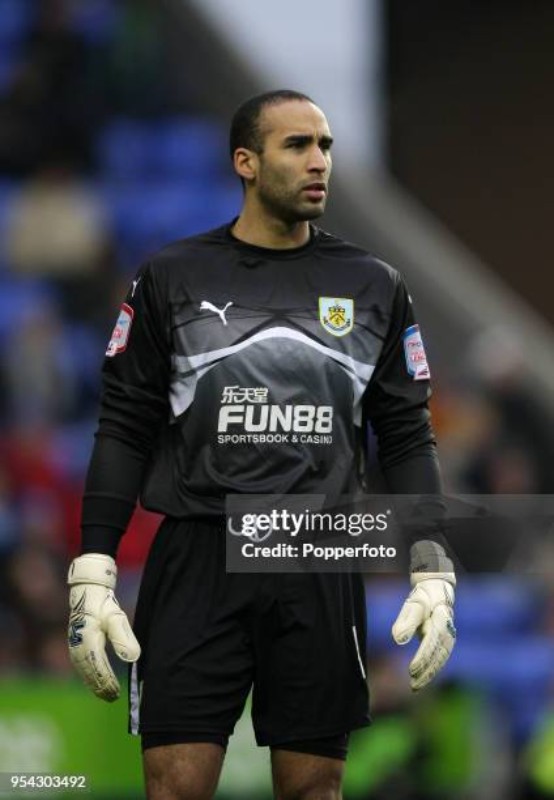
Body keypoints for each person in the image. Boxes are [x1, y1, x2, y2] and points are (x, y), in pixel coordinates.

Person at [67, 90, 457, 800]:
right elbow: (124, 422)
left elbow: (405, 431)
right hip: (198, 552)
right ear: (246, 162)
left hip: (317, 554)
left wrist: (431, 559)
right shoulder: (171, 277)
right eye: (297, 145)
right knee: (174, 788)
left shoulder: (374, 284)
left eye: (325, 146)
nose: (319, 162)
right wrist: (94, 563)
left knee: (314, 790)